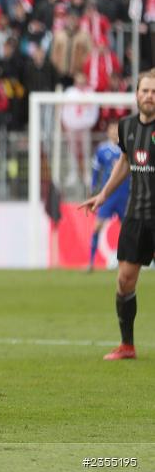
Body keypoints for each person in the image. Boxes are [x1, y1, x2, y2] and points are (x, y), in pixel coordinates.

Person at [81, 71, 155, 360]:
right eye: (145, 91)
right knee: (124, 281)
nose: (150, 96)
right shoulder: (126, 127)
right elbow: (124, 163)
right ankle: (127, 345)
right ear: (137, 94)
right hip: (136, 215)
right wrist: (102, 195)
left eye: (154, 91)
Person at [88, 121, 130, 272]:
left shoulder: (127, 149)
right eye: (112, 130)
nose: (114, 133)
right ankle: (91, 262)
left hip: (124, 195)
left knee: (129, 231)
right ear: (108, 133)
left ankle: (129, 262)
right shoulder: (102, 150)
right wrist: (94, 190)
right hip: (108, 196)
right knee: (97, 227)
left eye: (117, 130)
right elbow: (96, 172)